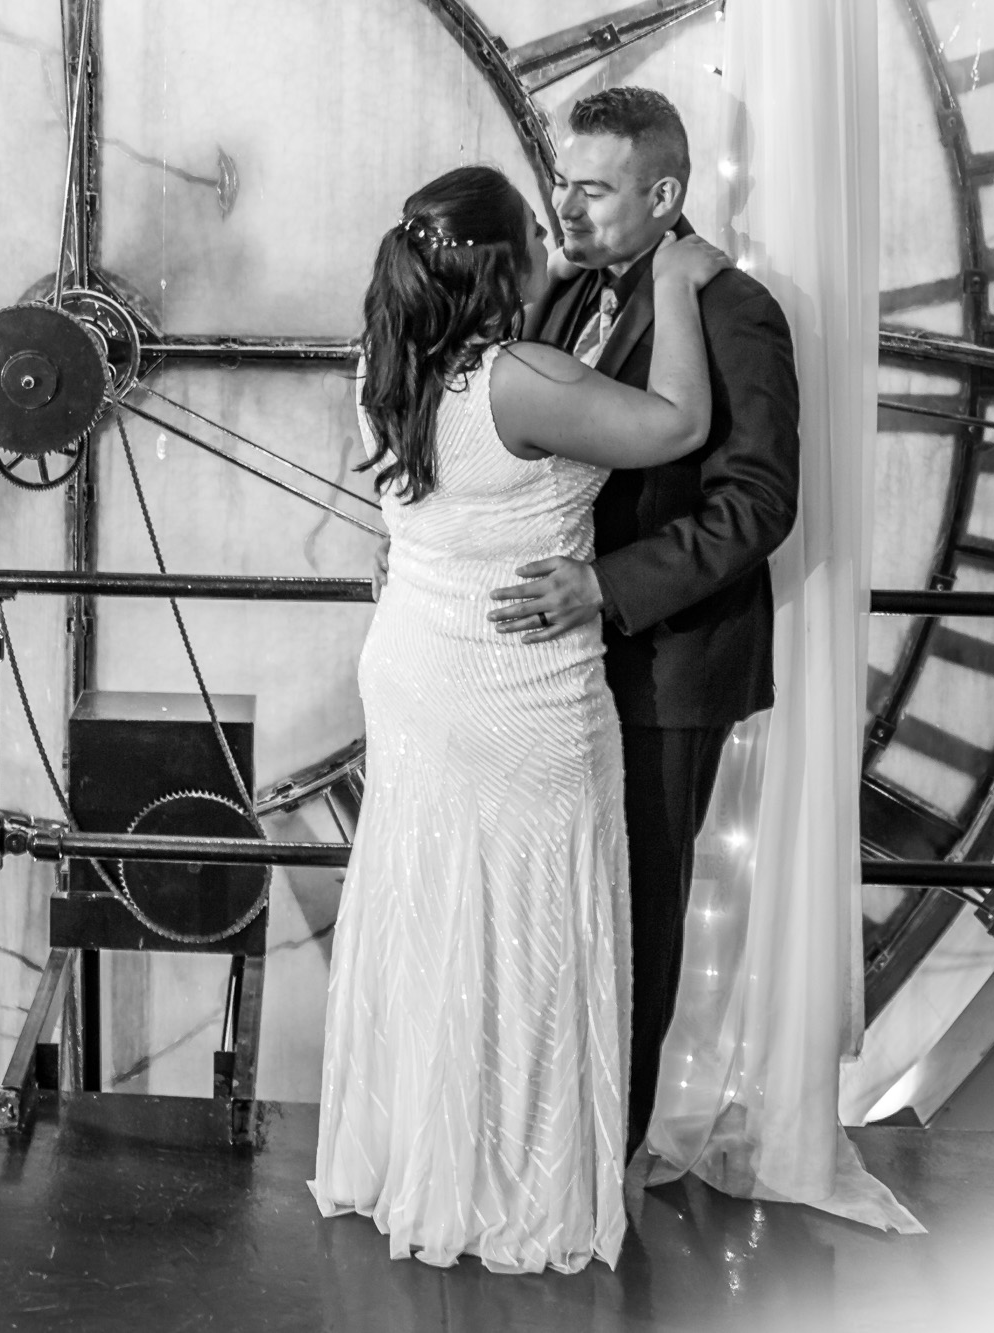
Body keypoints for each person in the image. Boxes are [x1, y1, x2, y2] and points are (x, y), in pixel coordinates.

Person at [310, 163, 730, 1273]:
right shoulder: (517, 379)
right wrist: (676, 282)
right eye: (536, 237)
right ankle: (508, 1179)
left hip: (414, 660)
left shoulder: (386, 363)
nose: (555, 244)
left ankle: (424, 1156)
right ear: (502, 266)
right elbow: (679, 423)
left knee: (438, 913)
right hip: (513, 682)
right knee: (529, 927)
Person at [490, 88, 799, 1160]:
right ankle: (548, 1145)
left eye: (593, 188)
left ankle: (604, 1165)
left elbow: (756, 502)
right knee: (564, 916)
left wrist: (605, 585)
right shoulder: (567, 289)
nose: (565, 208)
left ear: (664, 196)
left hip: (667, 667)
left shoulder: (734, 309)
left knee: (638, 922)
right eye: (561, 183)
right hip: (560, 667)